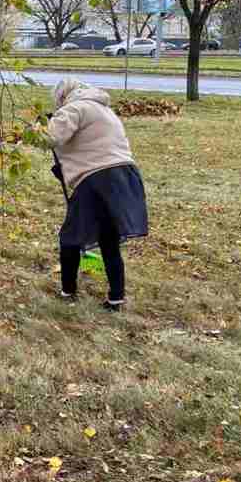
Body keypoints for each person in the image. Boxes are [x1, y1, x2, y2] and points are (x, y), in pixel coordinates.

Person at [45, 78, 148, 311]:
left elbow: (50, 138)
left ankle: (67, 291)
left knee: (70, 238)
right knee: (108, 240)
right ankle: (116, 298)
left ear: (62, 96)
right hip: (125, 176)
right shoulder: (103, 109)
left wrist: (38, 127)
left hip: (97, 178)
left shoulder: (75, 107)